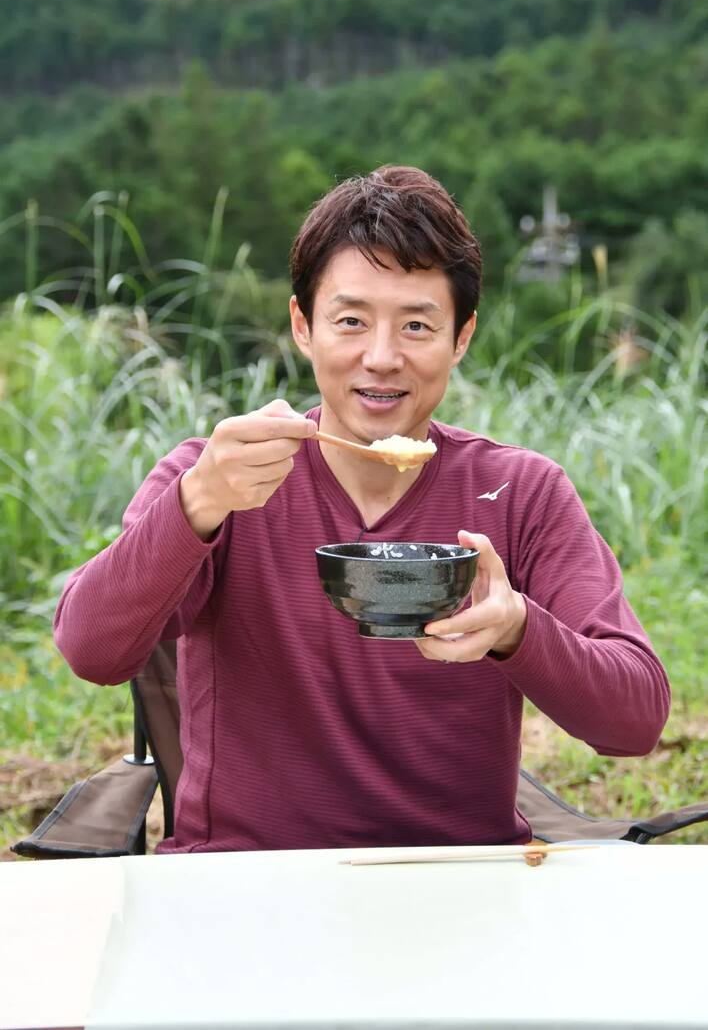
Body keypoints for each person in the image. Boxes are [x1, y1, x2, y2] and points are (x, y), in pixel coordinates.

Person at [54, 165, 670, 854]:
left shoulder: (520, 492)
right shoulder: (219, 475)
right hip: (247, 881)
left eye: (417, 325)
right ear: (303, 326)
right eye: (350, 321)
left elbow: (636, 720)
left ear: (461, 337)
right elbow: (91, 649)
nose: (381, 357)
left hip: (460, 879)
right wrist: (198, 502)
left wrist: (517, 628)